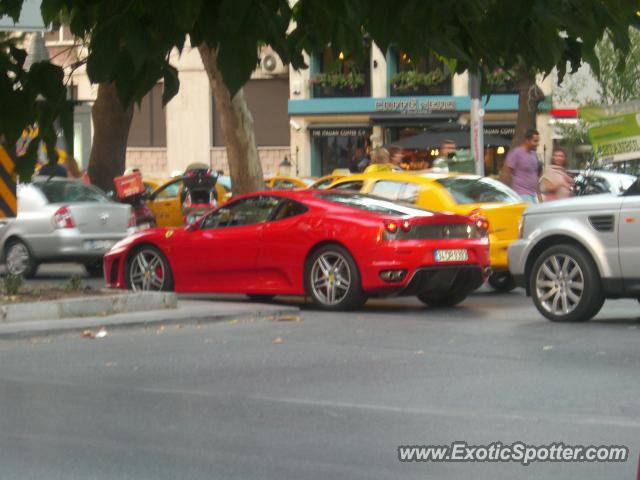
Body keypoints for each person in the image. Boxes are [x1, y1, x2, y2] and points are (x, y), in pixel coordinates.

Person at [501, 129, 541, 203]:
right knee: (530, 213)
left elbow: (535, 175)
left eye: (538, 141)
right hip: (521, 193)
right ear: (527, 140)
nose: (537, 144)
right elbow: (506, 173)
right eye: (535, 141)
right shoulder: (516, 153)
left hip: (533, 193)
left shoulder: (534, 154)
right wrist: (507, 193)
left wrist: (539, 195)